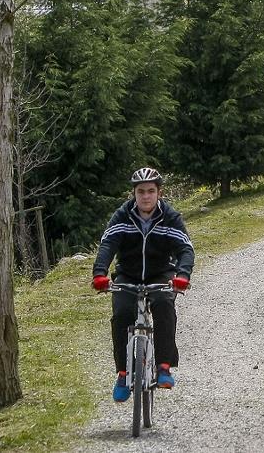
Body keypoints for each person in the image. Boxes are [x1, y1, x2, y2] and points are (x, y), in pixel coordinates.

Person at [92, 167, 194, 402]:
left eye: (150, 191)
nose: (145, 196)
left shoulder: (169, 217)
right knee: (122, 314)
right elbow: (108, 245)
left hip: (160, 274)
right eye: (140, 192)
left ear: (159, 193)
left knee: (164, 305)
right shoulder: (122, 216)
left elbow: (185, 249)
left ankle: (164, 366)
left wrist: (183, 275)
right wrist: (100, 274)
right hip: (128, 275)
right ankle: (123, 373)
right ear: (134, 194)